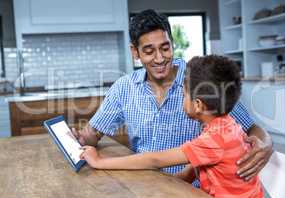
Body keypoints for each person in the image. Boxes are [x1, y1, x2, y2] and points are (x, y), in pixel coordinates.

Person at [73, 9, 272, 182]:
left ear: (172, 43)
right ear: (135, 52)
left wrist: (265, 144)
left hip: (195, 190)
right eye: (149, 51)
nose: (160, 58)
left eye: (165, 48)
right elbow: (94, 133)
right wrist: (80, 140)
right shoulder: (124, 87)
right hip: (143, 185)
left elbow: (251, 128)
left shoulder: (200, 79)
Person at [80, 55, 265, 198]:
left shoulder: (214, 139)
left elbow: (155, 160)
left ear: (198, 105)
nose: (181, 98)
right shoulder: (227, 126)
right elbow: (198, 166)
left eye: (184, 94)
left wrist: (99, 162)